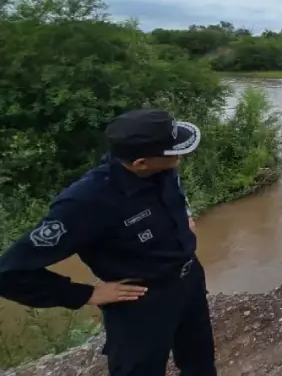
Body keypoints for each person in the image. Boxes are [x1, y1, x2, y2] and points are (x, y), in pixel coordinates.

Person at [0, 108, 216, 376]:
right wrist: (85, 293)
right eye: (173, 152)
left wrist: (184, 217)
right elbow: (9, 273)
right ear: (140, 163)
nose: (179, 156)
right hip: (141, 303)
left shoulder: (160, 169)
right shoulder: (86, 203)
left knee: (201, 364)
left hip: (189, 282)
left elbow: (176, 194)